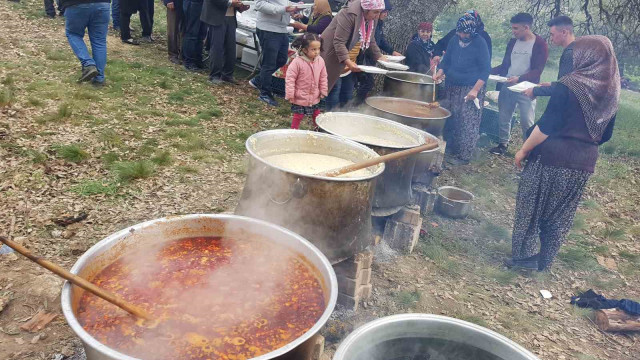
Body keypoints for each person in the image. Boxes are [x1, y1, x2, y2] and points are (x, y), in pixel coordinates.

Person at [505, 36, 620, 271]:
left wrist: (524, 149)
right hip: (583, 164)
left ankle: (524, 261)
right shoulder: (610, 92)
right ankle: (544, 262)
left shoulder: (569, 85)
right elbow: (605, 135)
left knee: (531, 209)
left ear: (584, 58)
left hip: (551, 158)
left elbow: (548, 124)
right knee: (560, 216)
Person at [432, 12, 490, 165]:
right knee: (453, 116)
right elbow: (447, 60)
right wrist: (440, 72)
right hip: (452, 84)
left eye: (463, 32)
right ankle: (451, 148)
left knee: (467, 120)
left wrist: (475, 90)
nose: (460, 34)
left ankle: (464, 156)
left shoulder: (480, 43)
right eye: (459, 31)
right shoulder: (454, 40)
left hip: (470, 87)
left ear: (471, 32)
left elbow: (485, 70)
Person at [489, 13, 549, 156]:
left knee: (526, 121)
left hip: (527, 88)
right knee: (504, 116)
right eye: (512, 28)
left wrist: (520, 78)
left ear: (526, 27)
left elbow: (537, 71)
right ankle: (503, 144)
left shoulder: (540, 44)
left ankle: (528, 151)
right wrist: (487, 71)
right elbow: (505, 65)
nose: (513, 31)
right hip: (508, 84)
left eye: (516, 28)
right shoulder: (512, 42)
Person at [321, 0, 385, 94]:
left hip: (350, 58)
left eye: (380, 12)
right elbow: (339, 42)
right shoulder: (348, 14)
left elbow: (370, 39)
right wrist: (348, 62)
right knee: (332, 90)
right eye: (375, 12)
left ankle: (344, 108)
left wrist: (379, 56)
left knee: (347, 93)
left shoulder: (372, 19)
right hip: (332, 54)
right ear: (366, 10)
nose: (378, 16)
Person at [248, 0, 299, 106]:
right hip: (268, 28)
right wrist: (284, 9)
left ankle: (260, 80)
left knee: (282, 60)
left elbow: (283, 4)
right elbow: (259, 4)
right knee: (269, 62)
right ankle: (265, 93)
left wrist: (294, 9)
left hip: (282, 29)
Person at [353, 0, 400, 104]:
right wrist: (377, 55)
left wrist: (392, 51)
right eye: (383, 12)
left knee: (367, 83)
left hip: (372, 58)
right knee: (367, 83)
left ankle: (358, 102)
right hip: (364, 57)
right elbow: (369, 40)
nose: (385, 14)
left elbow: (381, 40)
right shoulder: (369, 22)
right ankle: (356, 104)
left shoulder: (379, 24)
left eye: (386, 12)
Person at [524, 15, 576, 99]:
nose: (551, 39)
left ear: (564, 32)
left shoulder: (570, 54)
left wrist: (534, 91)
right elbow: (571, 83)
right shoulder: (575, 48)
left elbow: (564, 89)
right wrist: (553, 84)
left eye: (552, 35)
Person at [61, 0, 110, 86]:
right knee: (99, 41)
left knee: (73, 34)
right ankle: (99, 79)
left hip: (76, 4)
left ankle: (88, 64)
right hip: (102, 4)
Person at [285, 33, 328, 129]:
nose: (317, 52)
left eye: (318, 49)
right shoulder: (297, 62)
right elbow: (290, 79)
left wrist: (323, 90)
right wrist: (290, 94)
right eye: (313, 49)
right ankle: (293, 131)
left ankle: (318, 129)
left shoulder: (320, 61)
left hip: (314, 95)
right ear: (304, 50)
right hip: (300, 95)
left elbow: (323, 77)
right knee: (298, 115)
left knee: (316, 114)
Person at [201, 0, 249, 84]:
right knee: (217, 47)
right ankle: (214, 75)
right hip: (216, 17)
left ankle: (227, 75)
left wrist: (240, 6)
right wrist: (230, 2)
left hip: (231, 17)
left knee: (230, 47)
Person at [181, 0, 207, 70]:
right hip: (193, 3)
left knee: (201, 34)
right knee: (192, 33)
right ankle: (188, 61)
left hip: (204, 4)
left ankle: (197, 60)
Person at [164, 0, 183, 64]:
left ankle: (182, 53)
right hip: (174, 3)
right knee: (173, 29)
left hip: (188, 3)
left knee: (184, 29)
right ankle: (173, 54)